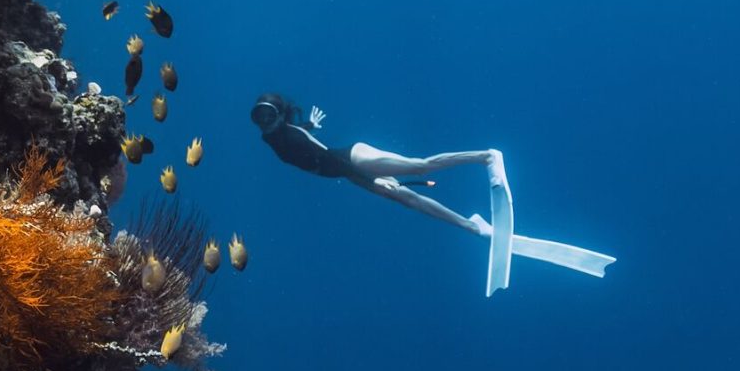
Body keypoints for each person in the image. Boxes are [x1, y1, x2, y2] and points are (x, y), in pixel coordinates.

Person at [248, 93, 614, 295]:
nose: (263, 120)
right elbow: (304, 145)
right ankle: (475, 227)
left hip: (350, 158)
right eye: (259, 117)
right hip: (345, 173)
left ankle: (488, 156)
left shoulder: (285, 133)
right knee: (409, 200)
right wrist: (311, 126)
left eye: (268, 114)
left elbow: (314, 149)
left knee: (419, 166)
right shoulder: (274, 138)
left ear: (279, 113)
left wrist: (372, 175)